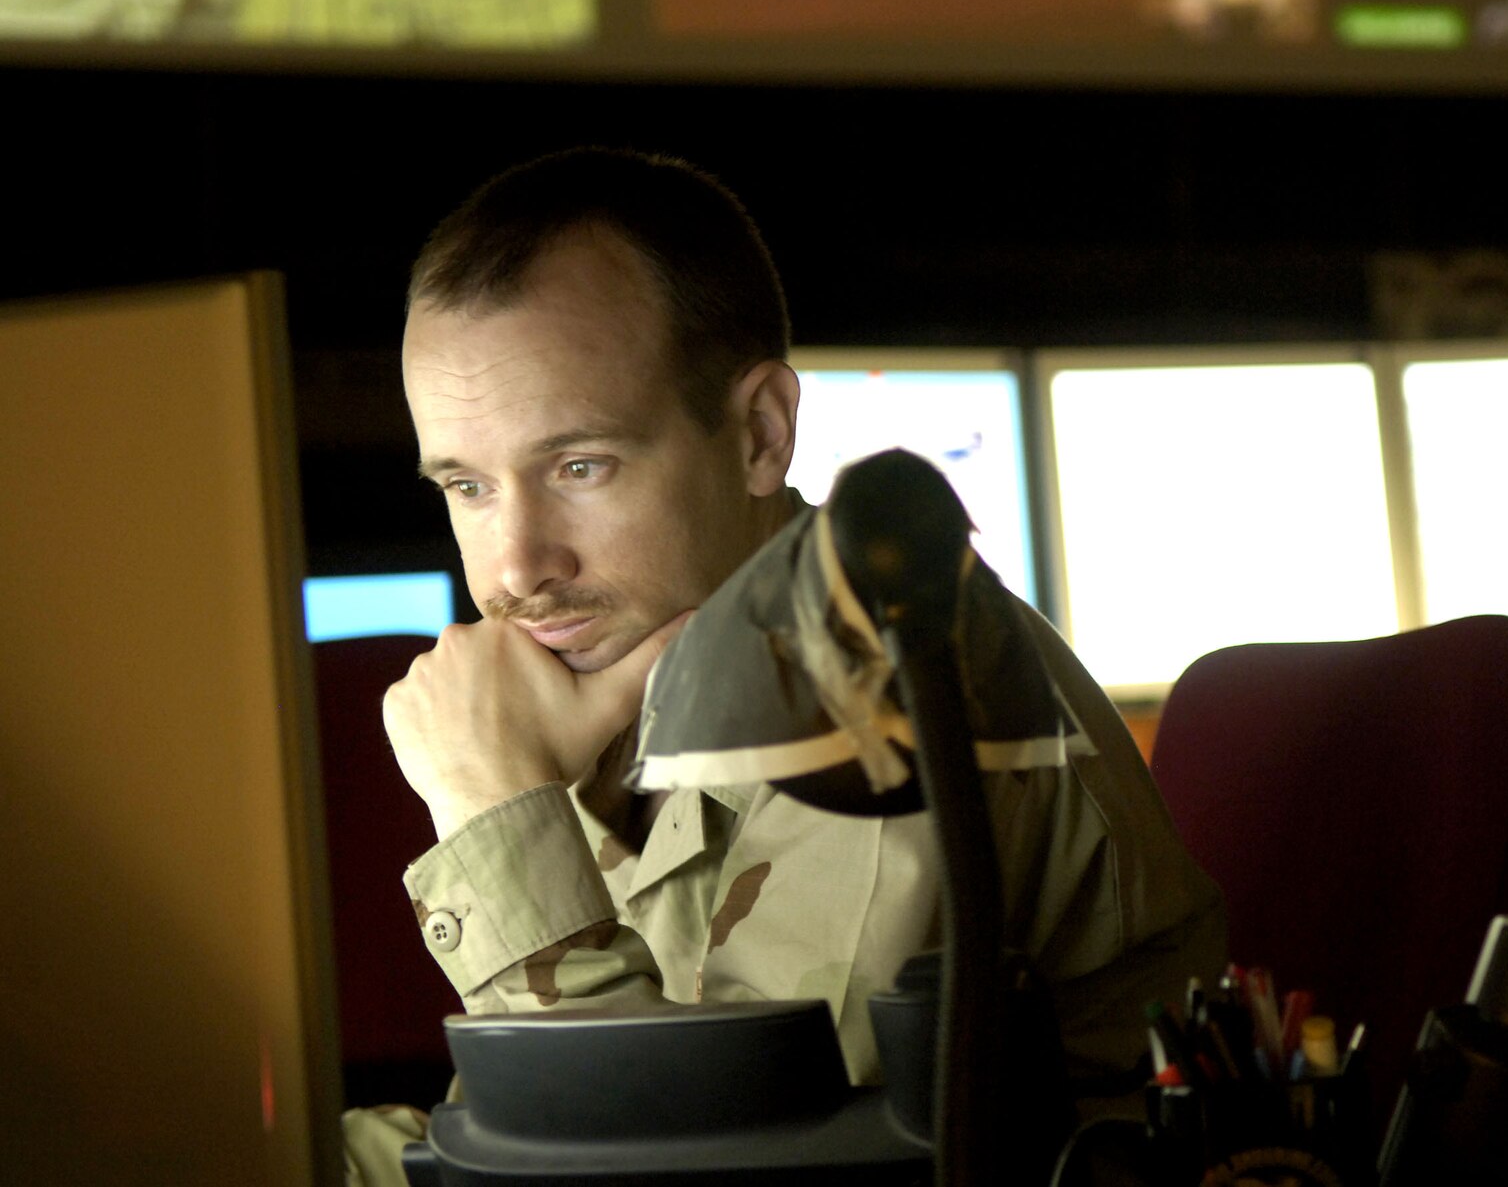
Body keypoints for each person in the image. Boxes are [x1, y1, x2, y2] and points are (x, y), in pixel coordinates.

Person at [342, 146, 1227, 1183]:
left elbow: (717, 1172)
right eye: (468, 486)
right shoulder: (643, 664)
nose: (517, 566)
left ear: (760, 433)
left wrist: (498, 812)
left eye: (580, 466)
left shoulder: (878, 691)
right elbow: (519, 1128)